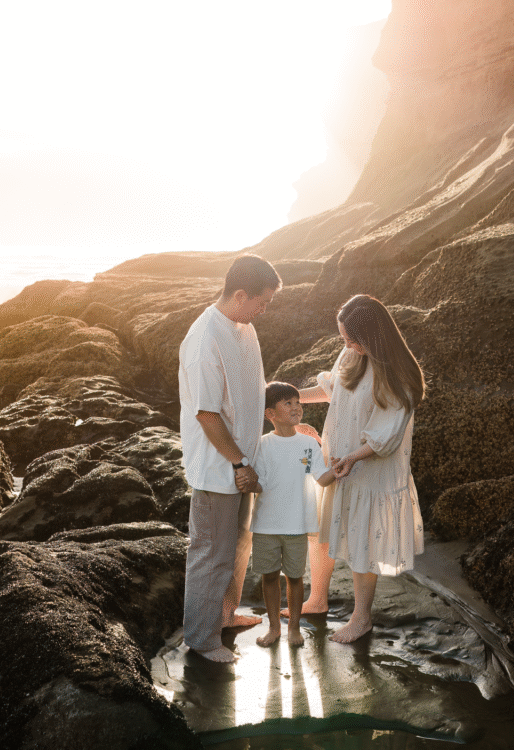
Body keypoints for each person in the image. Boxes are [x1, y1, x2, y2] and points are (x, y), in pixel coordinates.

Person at [294, 294, 426, 644]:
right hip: (337, 463)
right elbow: (331, 391)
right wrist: (285, 398)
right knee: (320, 531)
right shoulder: (352, 355)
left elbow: (388, 436)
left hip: (369, 472)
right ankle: (317, 599)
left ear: (375, 336)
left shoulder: (399, 376)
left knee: (360, 540)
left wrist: (353, 457)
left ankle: (361, 618)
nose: (348, 346)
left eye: (353, 339)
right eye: (344, 339)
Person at [179, 253, 282, 662]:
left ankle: (224, 617)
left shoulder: (244, 327)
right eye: (262, 301)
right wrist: (239, 463)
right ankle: (202, 640)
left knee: (239, 546)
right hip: (219, 467)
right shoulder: (205, 338)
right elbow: (206, 412)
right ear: (241, 294)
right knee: (210, 553)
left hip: (245, 463)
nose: (264, 309)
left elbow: (250, 391)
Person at [237, 381, 335, 648]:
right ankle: (273, 628)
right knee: (269, 576)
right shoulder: (262, 445)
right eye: (288, 403)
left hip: (297, 524)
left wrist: (337, 470)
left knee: (295, 577)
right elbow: (261, 483)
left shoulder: (308, 444)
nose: (296, 408)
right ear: (270, 413)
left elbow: (321, 478)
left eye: (298, 402)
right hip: (267, 524)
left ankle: (294, 627)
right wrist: (248, 483)